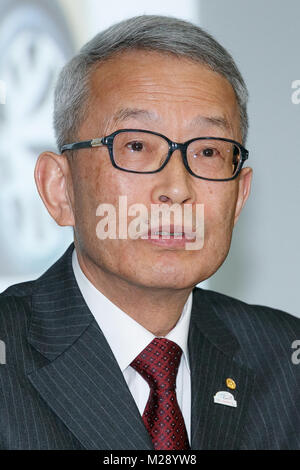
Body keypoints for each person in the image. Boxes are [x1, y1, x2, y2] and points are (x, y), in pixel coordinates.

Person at [0, 15, 299, 451]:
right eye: (136, 146)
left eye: (209, 151)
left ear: (239, 198)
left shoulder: (286, 365)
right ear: (59, 188)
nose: (176, 189)